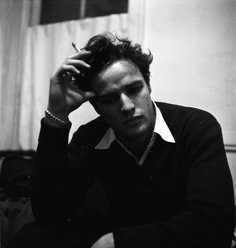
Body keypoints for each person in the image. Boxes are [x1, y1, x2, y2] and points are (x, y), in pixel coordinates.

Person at [9, 33, 235, 248]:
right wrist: (56, 115)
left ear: (148, 85)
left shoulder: (194, 126)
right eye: (109, 99)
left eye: (134, 89)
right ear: (97, 107)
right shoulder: (90, 138)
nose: (127, 106)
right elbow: (49, 214)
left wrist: (120, 242)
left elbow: (214, 223)